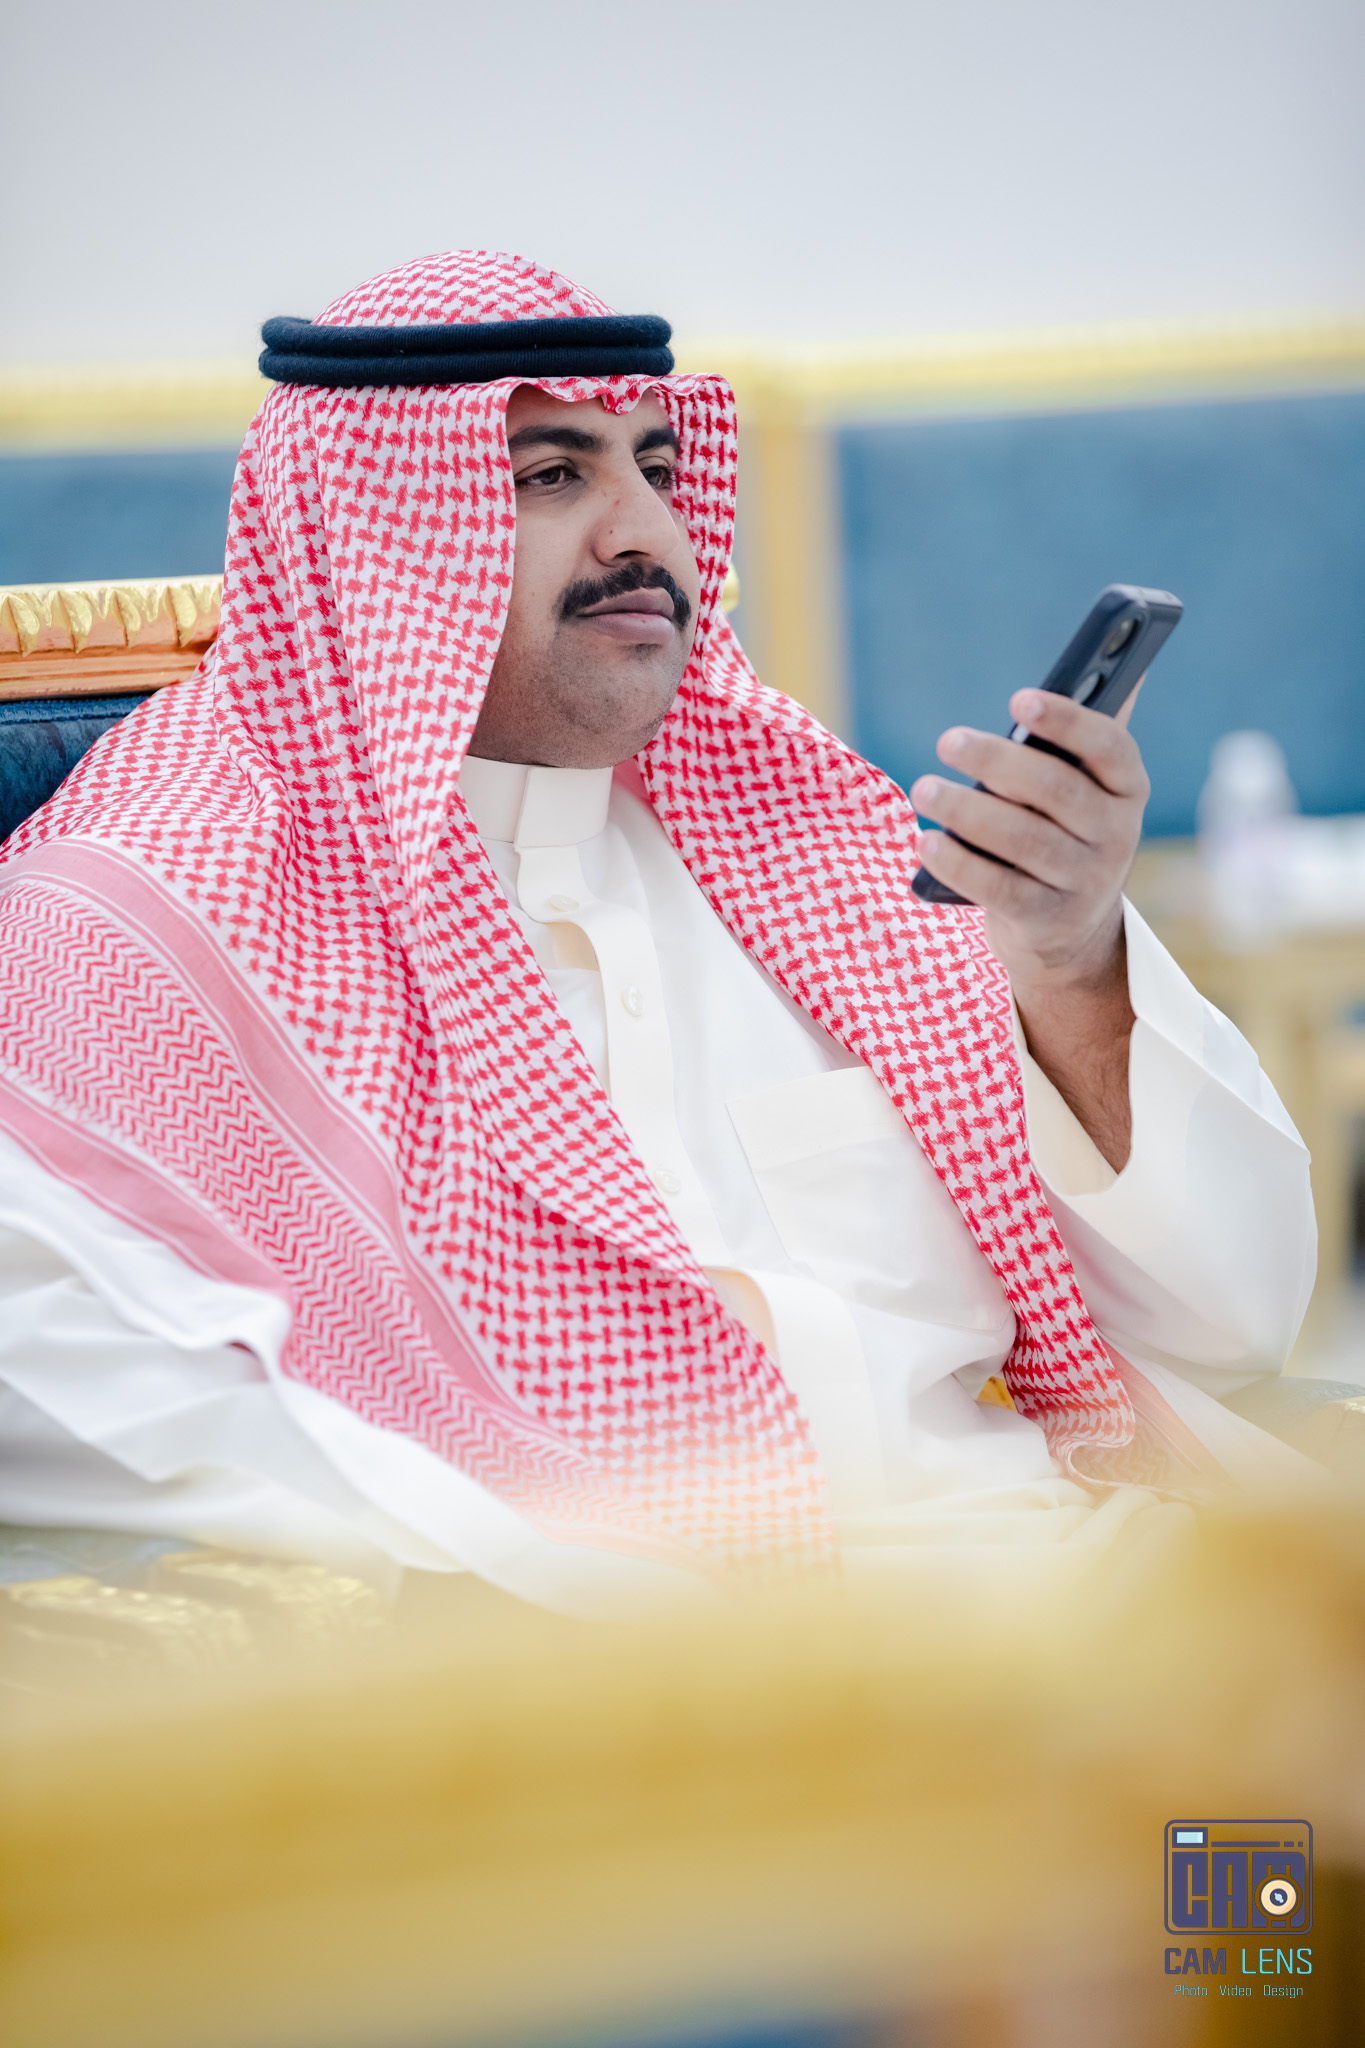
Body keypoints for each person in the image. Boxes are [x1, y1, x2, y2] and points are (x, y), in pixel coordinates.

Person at [0, 253, 1317, 1614]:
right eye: (548, 474)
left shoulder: (821, 859)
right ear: (371, 535)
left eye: (659, 465)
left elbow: (1234, 1322)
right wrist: (561, 1601)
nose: (647, 534)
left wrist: (1070, 954)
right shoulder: (147, 917)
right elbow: (52, 1365)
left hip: (1110, 1606)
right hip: (674, 1688)